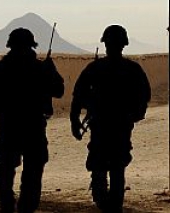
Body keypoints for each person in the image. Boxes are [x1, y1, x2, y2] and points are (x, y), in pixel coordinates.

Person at [0, 27, 64, 213]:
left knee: (8, 171)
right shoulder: (39, 69)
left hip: (11, 127)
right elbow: (58, 91)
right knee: (28, 173)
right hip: (30, 128)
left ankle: (9, 203)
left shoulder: (0, 69)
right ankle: (19, 206)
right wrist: (51, 71)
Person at [70, 25, 151, 213]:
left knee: (101, 167)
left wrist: (74, 120)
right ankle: (112, 206)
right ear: (124, 44)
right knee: (116, 168)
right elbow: (144, 96)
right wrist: (134, 115)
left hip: (104, 126)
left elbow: (78, 96)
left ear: (105, 44)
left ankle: (106, 204)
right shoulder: (132, 69)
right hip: (119, 126)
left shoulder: (96, 68)